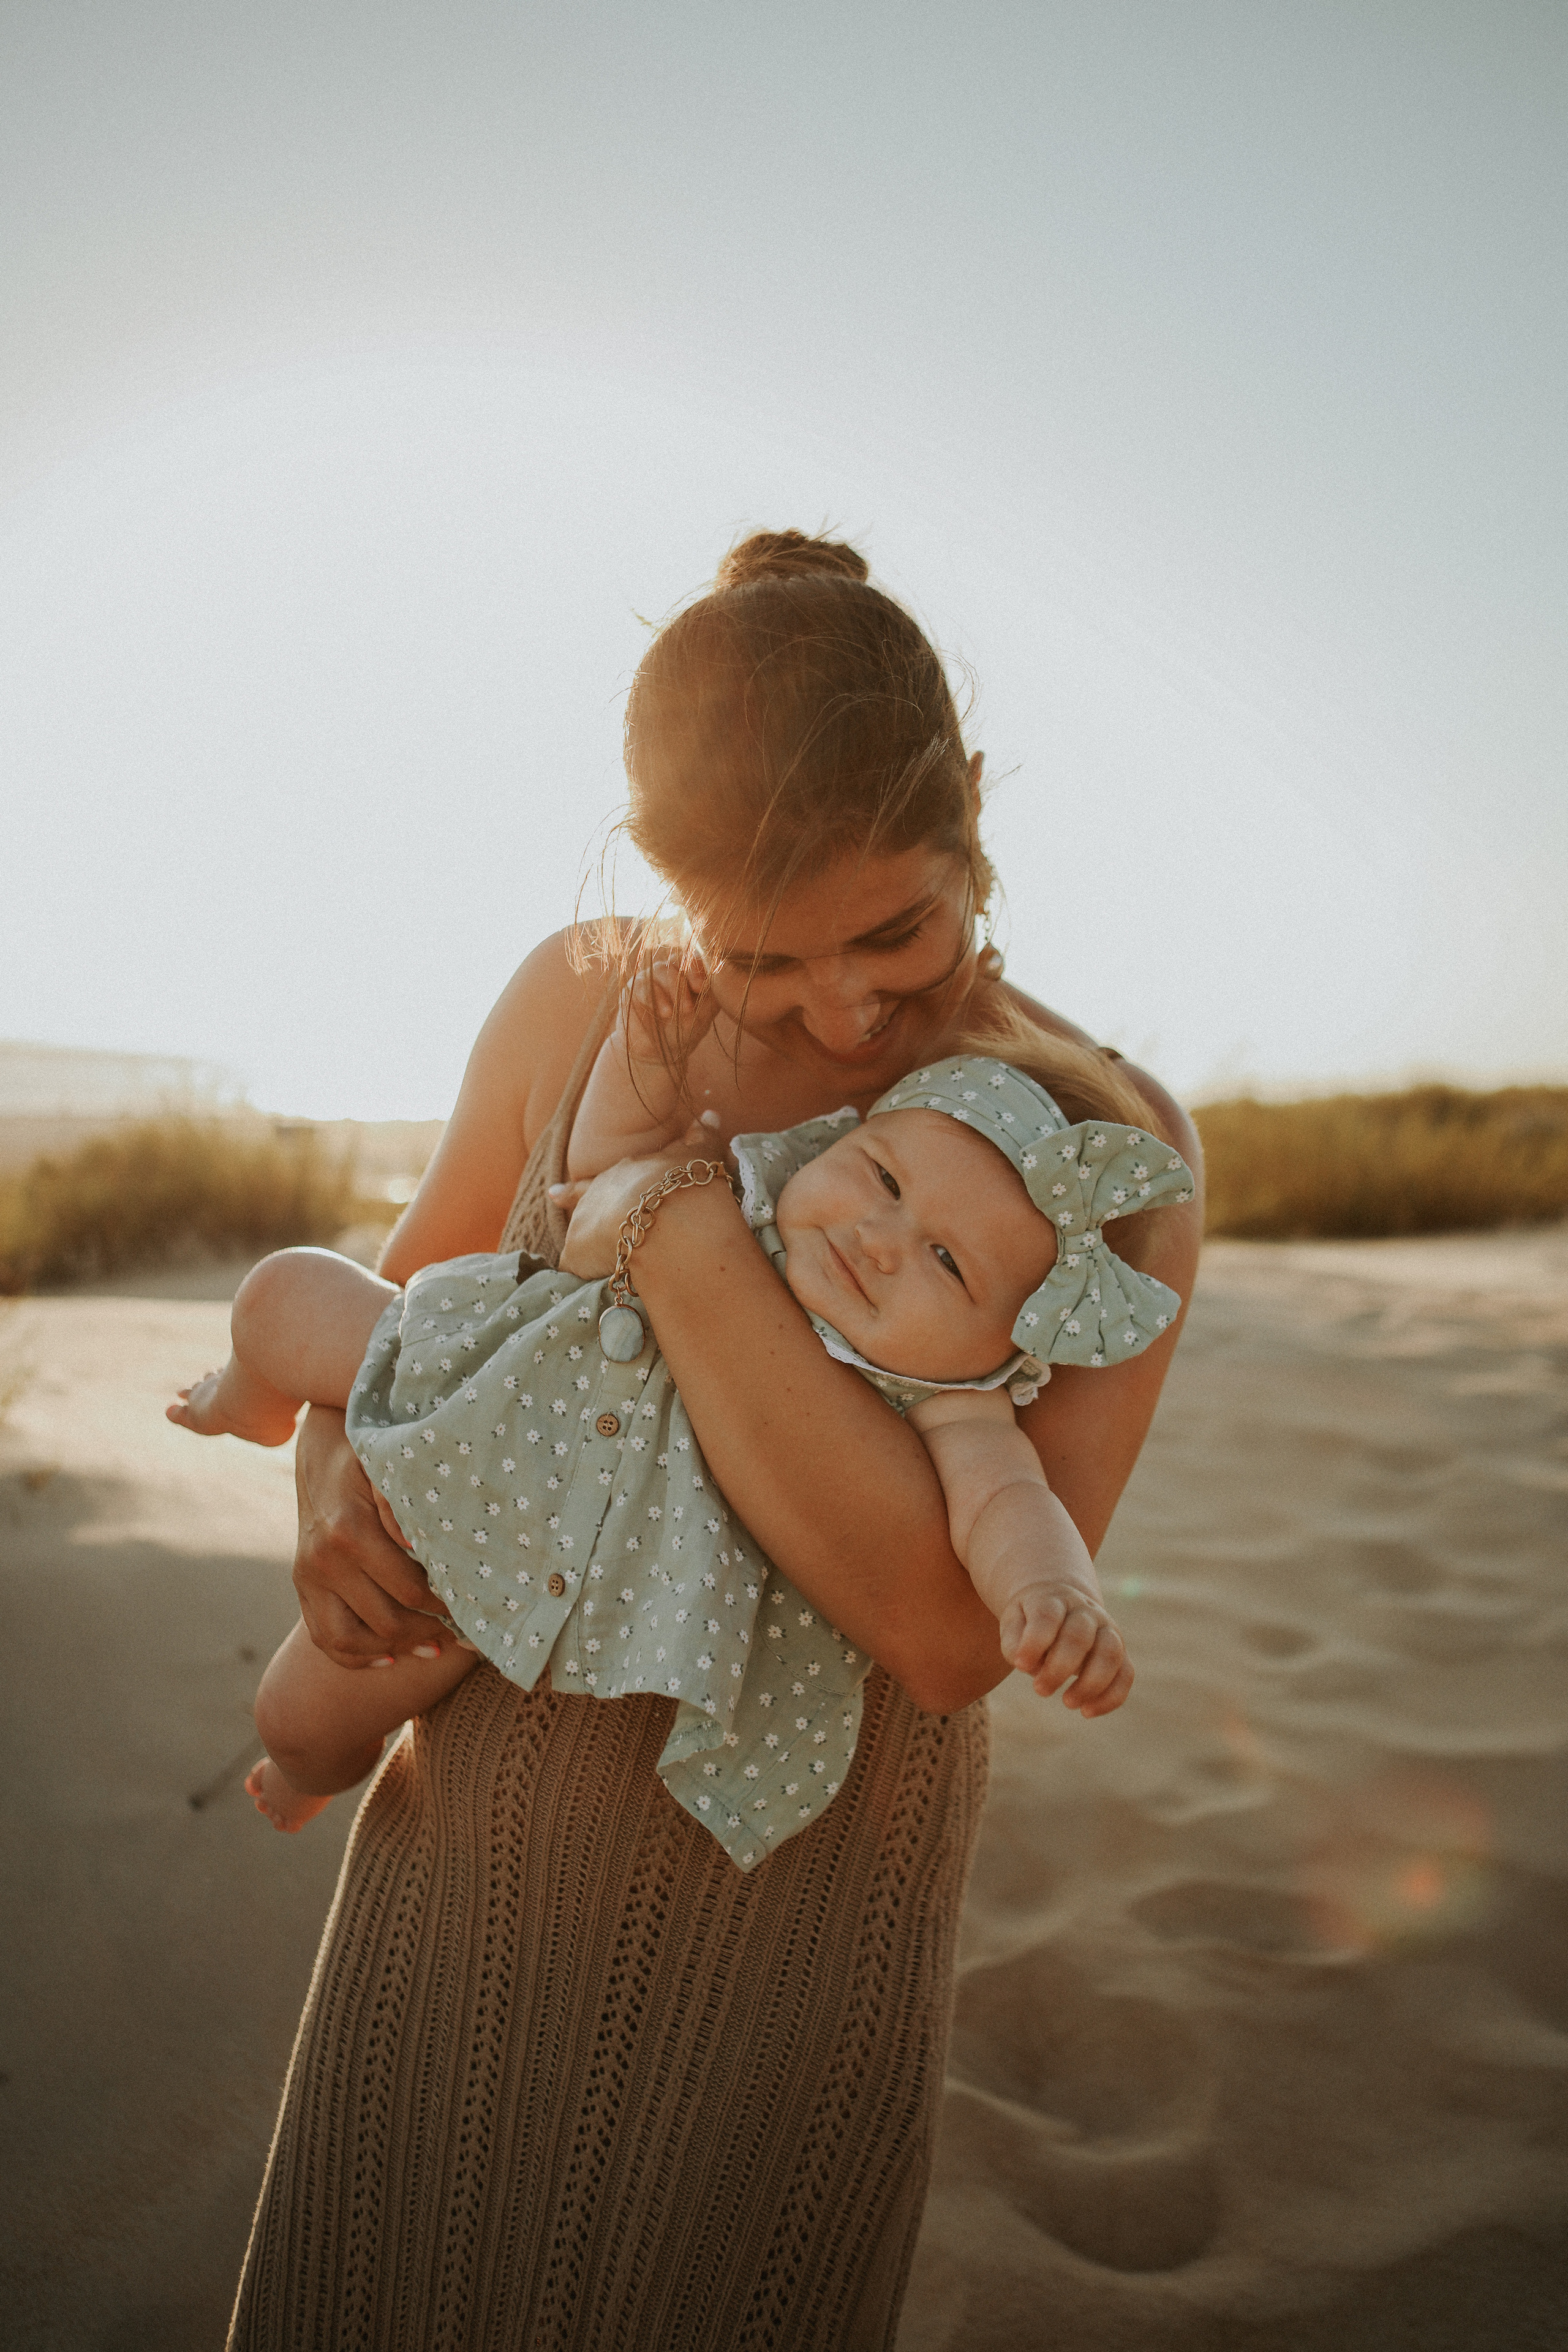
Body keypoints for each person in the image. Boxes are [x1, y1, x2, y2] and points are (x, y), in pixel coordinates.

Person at [224, 530, 1204, 2352]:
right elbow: (416, 1314)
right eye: (763, 958)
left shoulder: (1097, 1144)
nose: (845, 1011)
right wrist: (334, 1494)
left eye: (900, 931)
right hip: (471, 1902)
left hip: (798, 1952)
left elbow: (941, 1627)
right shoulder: (576, 997)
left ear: (976, 812)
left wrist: (662, 1222)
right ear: (667, 886)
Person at [171, 1035, 1193, 1853]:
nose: (880, 1237)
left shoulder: (946, 1398)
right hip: (493, 1388)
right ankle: (250, 1398)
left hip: (535, 1561)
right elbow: (603, 1164)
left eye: (945, 1261)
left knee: (299, 1716)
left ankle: (307, 1777)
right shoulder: (735, 1194)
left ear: (1000, 1347)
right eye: (881, 1176)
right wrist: (645, 1057)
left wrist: (1052, 1593)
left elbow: (1008, 1501)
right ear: (841, 1139)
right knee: (282, 1294)